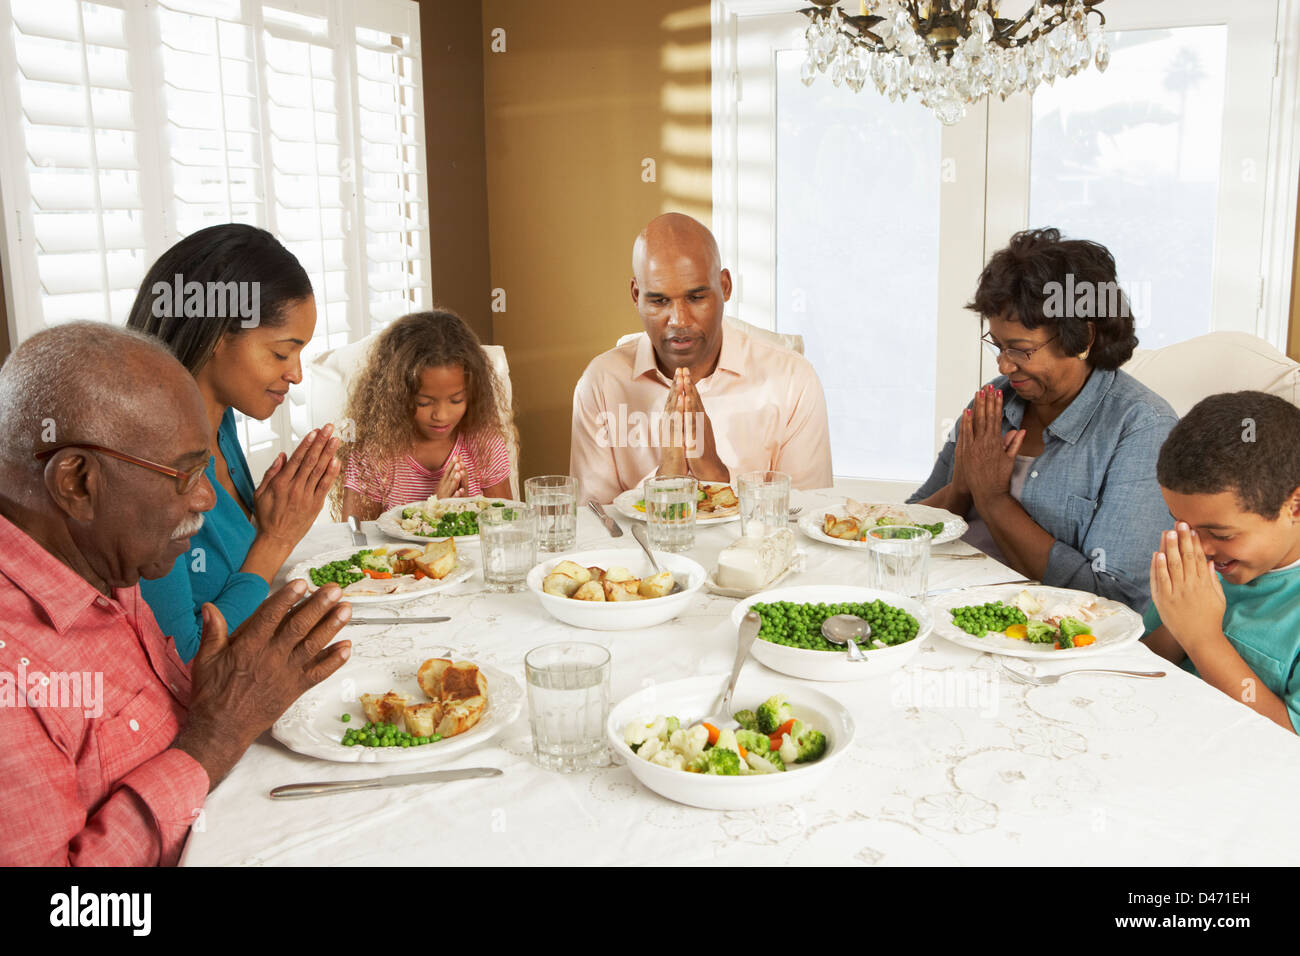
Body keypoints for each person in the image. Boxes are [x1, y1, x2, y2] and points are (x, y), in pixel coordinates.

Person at [0, 323, 352, 866]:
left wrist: (235, 688)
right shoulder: (13, 677)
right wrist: (215, 739)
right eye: (184, 476)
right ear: (77, 482)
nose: (207, 497)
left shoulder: (109, 565)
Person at [908, 228, 1176, 612]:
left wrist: (994, 499)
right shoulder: (994, 401)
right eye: (997, 345)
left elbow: (1113, 600)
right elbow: (904, 528)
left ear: (1082, 337)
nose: (1002, 364)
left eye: (1021, 349)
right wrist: (961, 489)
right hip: (942, 604)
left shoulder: (1142, 429)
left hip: (1043, 637)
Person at [126, 224, 340, 662]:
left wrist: (266, 524)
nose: (296, 373)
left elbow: (237, 581)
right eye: (281, 353)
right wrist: (275, 539)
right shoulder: (147, 468)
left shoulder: (219, 422)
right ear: (217, 337)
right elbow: (186, 660)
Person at [570, 213, 833, 504]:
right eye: (659, 301)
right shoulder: (602, 383)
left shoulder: (792, 380)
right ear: (636, 295)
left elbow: (806, 516)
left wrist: (715, 474)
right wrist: (666, 478)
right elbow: (596, 526)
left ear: (725, 287)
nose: (679, 321)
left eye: (696, 298)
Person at [1143, 391, 1300, 734]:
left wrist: (1202, 639)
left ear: (1295, 507)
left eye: (1222, 534)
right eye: (1182, 525)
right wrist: (1177, 624)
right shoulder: (1198, 563)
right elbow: (1141, 668)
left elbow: (1289, 740)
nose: (1198, 548)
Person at [334, 310, 513, 521]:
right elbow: (355, 538)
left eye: (456, 400)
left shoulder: (484, 444)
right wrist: (433, 510)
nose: (442, 415)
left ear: (473, 394)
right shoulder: (374, 455)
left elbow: (509, 525)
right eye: (424, 402)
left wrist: (464, 509)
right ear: (396, 396)